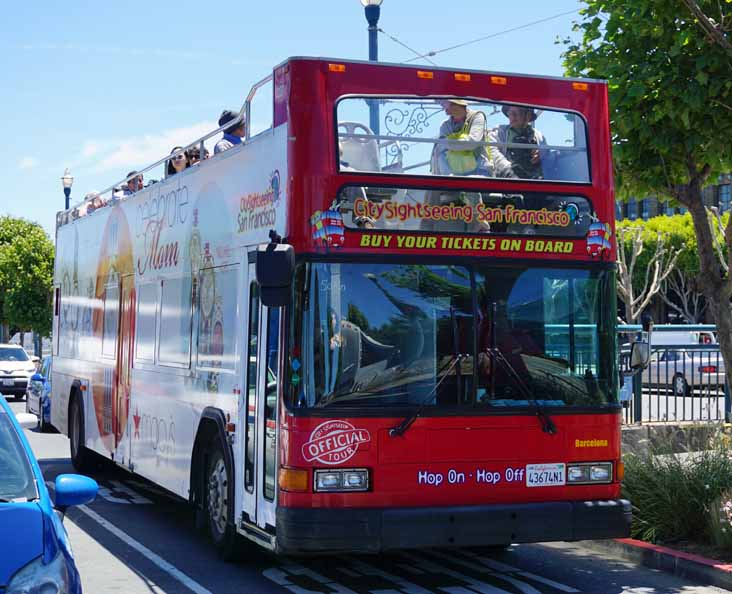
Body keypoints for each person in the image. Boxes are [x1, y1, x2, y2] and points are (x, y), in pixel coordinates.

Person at [431, 99, 493, 177]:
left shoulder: (477, 117)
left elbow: (472, 142)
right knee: (440, 150)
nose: (442, 106)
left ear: (455, 103)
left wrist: (449, 143)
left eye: (444, 103)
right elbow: (441, 147)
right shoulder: (445, 125)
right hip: (453, 175)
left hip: (479, 172)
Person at [490, 105, 546, 179]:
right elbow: (492, 151)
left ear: (528, 115)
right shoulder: (498, 132)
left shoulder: (539, 136)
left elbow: (548, 157)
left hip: (535, 181)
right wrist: (509, 170)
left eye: (517, 112)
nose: (512, 116)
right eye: (510, 113)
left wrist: (541, 155)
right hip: (506, 181)